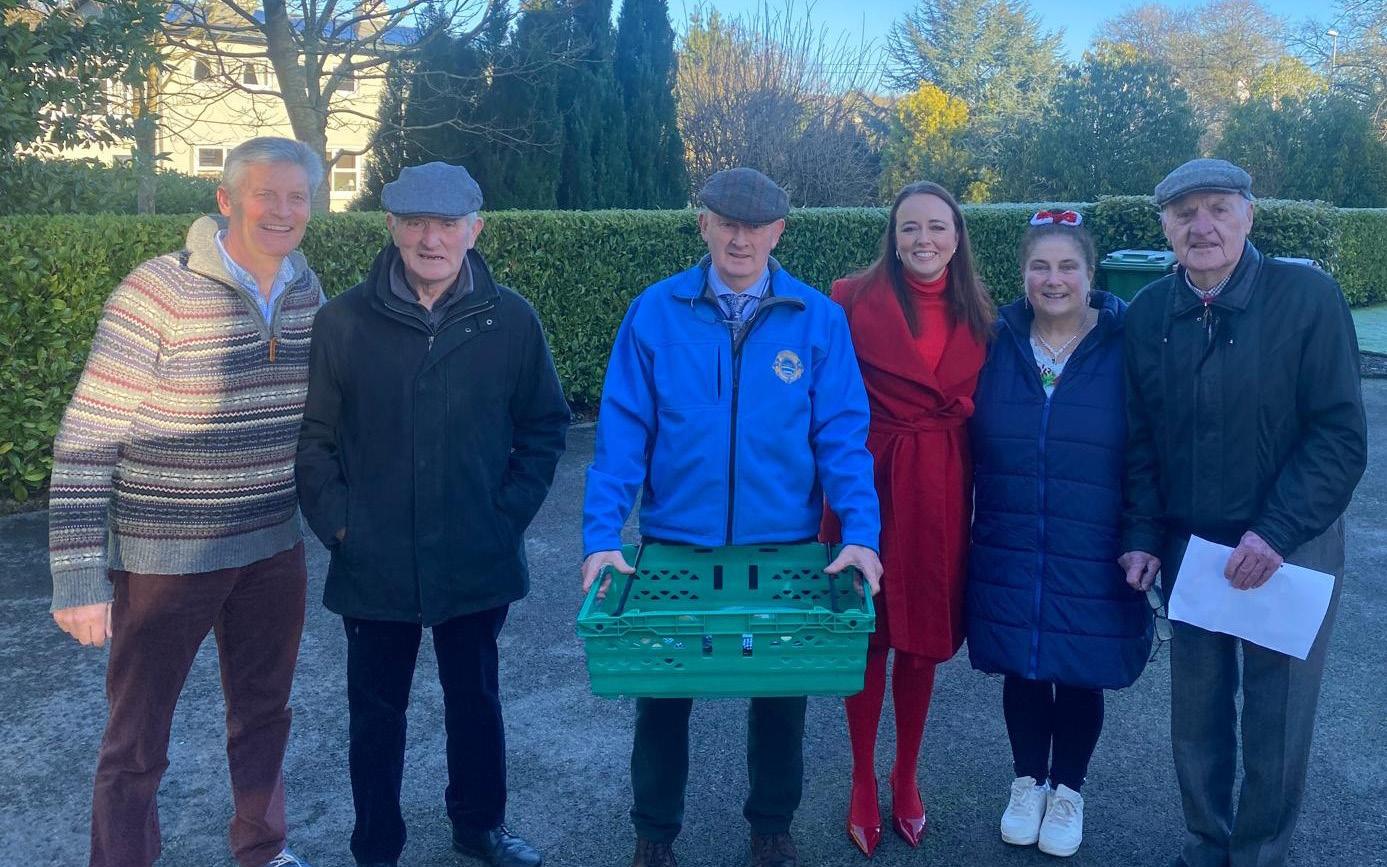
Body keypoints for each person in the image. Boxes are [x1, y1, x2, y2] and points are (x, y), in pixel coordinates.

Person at [581, 167, 884, 867]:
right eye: (726, 223)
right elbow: (622, 435)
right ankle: (654, 834)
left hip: (783, 544)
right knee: (661, 695)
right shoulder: (654, 313)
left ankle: (771, 827)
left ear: (778, 232)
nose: (739, 238)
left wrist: (861, 534)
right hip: (675, 542)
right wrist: (601, 536)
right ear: (704, 225)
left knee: (780, 696)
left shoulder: (817, 319)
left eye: (755, 226)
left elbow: (842, 438)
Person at [48, 136, 323, 867]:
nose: (282, 210)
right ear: (226, 199)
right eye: (265, 194)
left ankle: (263, 849)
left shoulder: (307, 290)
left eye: (297, 197)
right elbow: (87, 435)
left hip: (272, 544)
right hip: (165, 557)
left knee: (264, 713)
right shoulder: (157, 291)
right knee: (137, 736)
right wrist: (77, 577)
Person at [296, 162, 569, 867]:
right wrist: (343, 527)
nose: (430, 239)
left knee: (474, 698)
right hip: (374, 557)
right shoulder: (342, 322)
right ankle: (375, 845)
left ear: (474, 230)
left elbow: (545, 426)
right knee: (375, 713)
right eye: (415, 222)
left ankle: (479, 826)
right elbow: (315, 440)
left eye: (447, 224)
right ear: (391, 226)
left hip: (476, 552)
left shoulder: (511, 320)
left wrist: (504, 518)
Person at [1121, 158, 1367, 867]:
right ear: (1164, 226)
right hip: (1192, 545)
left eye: (1218, 208)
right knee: (1196, 710)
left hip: (1292, 544)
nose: (1201, 226)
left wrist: (1275, 531)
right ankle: (1207, 842)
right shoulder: (1147, 314)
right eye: (1183, 213)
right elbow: (1139, 440)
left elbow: (1338, 434)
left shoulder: (1307, 297)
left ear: (1249, 215)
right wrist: (1142, 534)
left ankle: (1259, 852)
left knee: (1278, 714)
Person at [966, 210, 1153, 858]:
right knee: (1022, 664)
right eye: (1039, 266)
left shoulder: (1125, 346)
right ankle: (1027, 782)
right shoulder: (995, 342)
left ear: (1089, 273)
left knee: (1078, 668)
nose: (1053, 279)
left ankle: (1068, 789)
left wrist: (1143, 532)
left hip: (1094, 540)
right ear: (1022, 273)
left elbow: (1147, 451)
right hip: (1010, 535)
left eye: (1067, 266)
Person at [819, 181, 992, 857]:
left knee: (921, 638)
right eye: (909, 227)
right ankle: (863, 778)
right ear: (892, 237)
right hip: (868, 480)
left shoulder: (980, 309)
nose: (924, 239)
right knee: (866, 634)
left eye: (937, 227)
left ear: (957, 236)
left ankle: (906, 774)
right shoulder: (848, 298)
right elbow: (821, 398)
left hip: (942, 485)